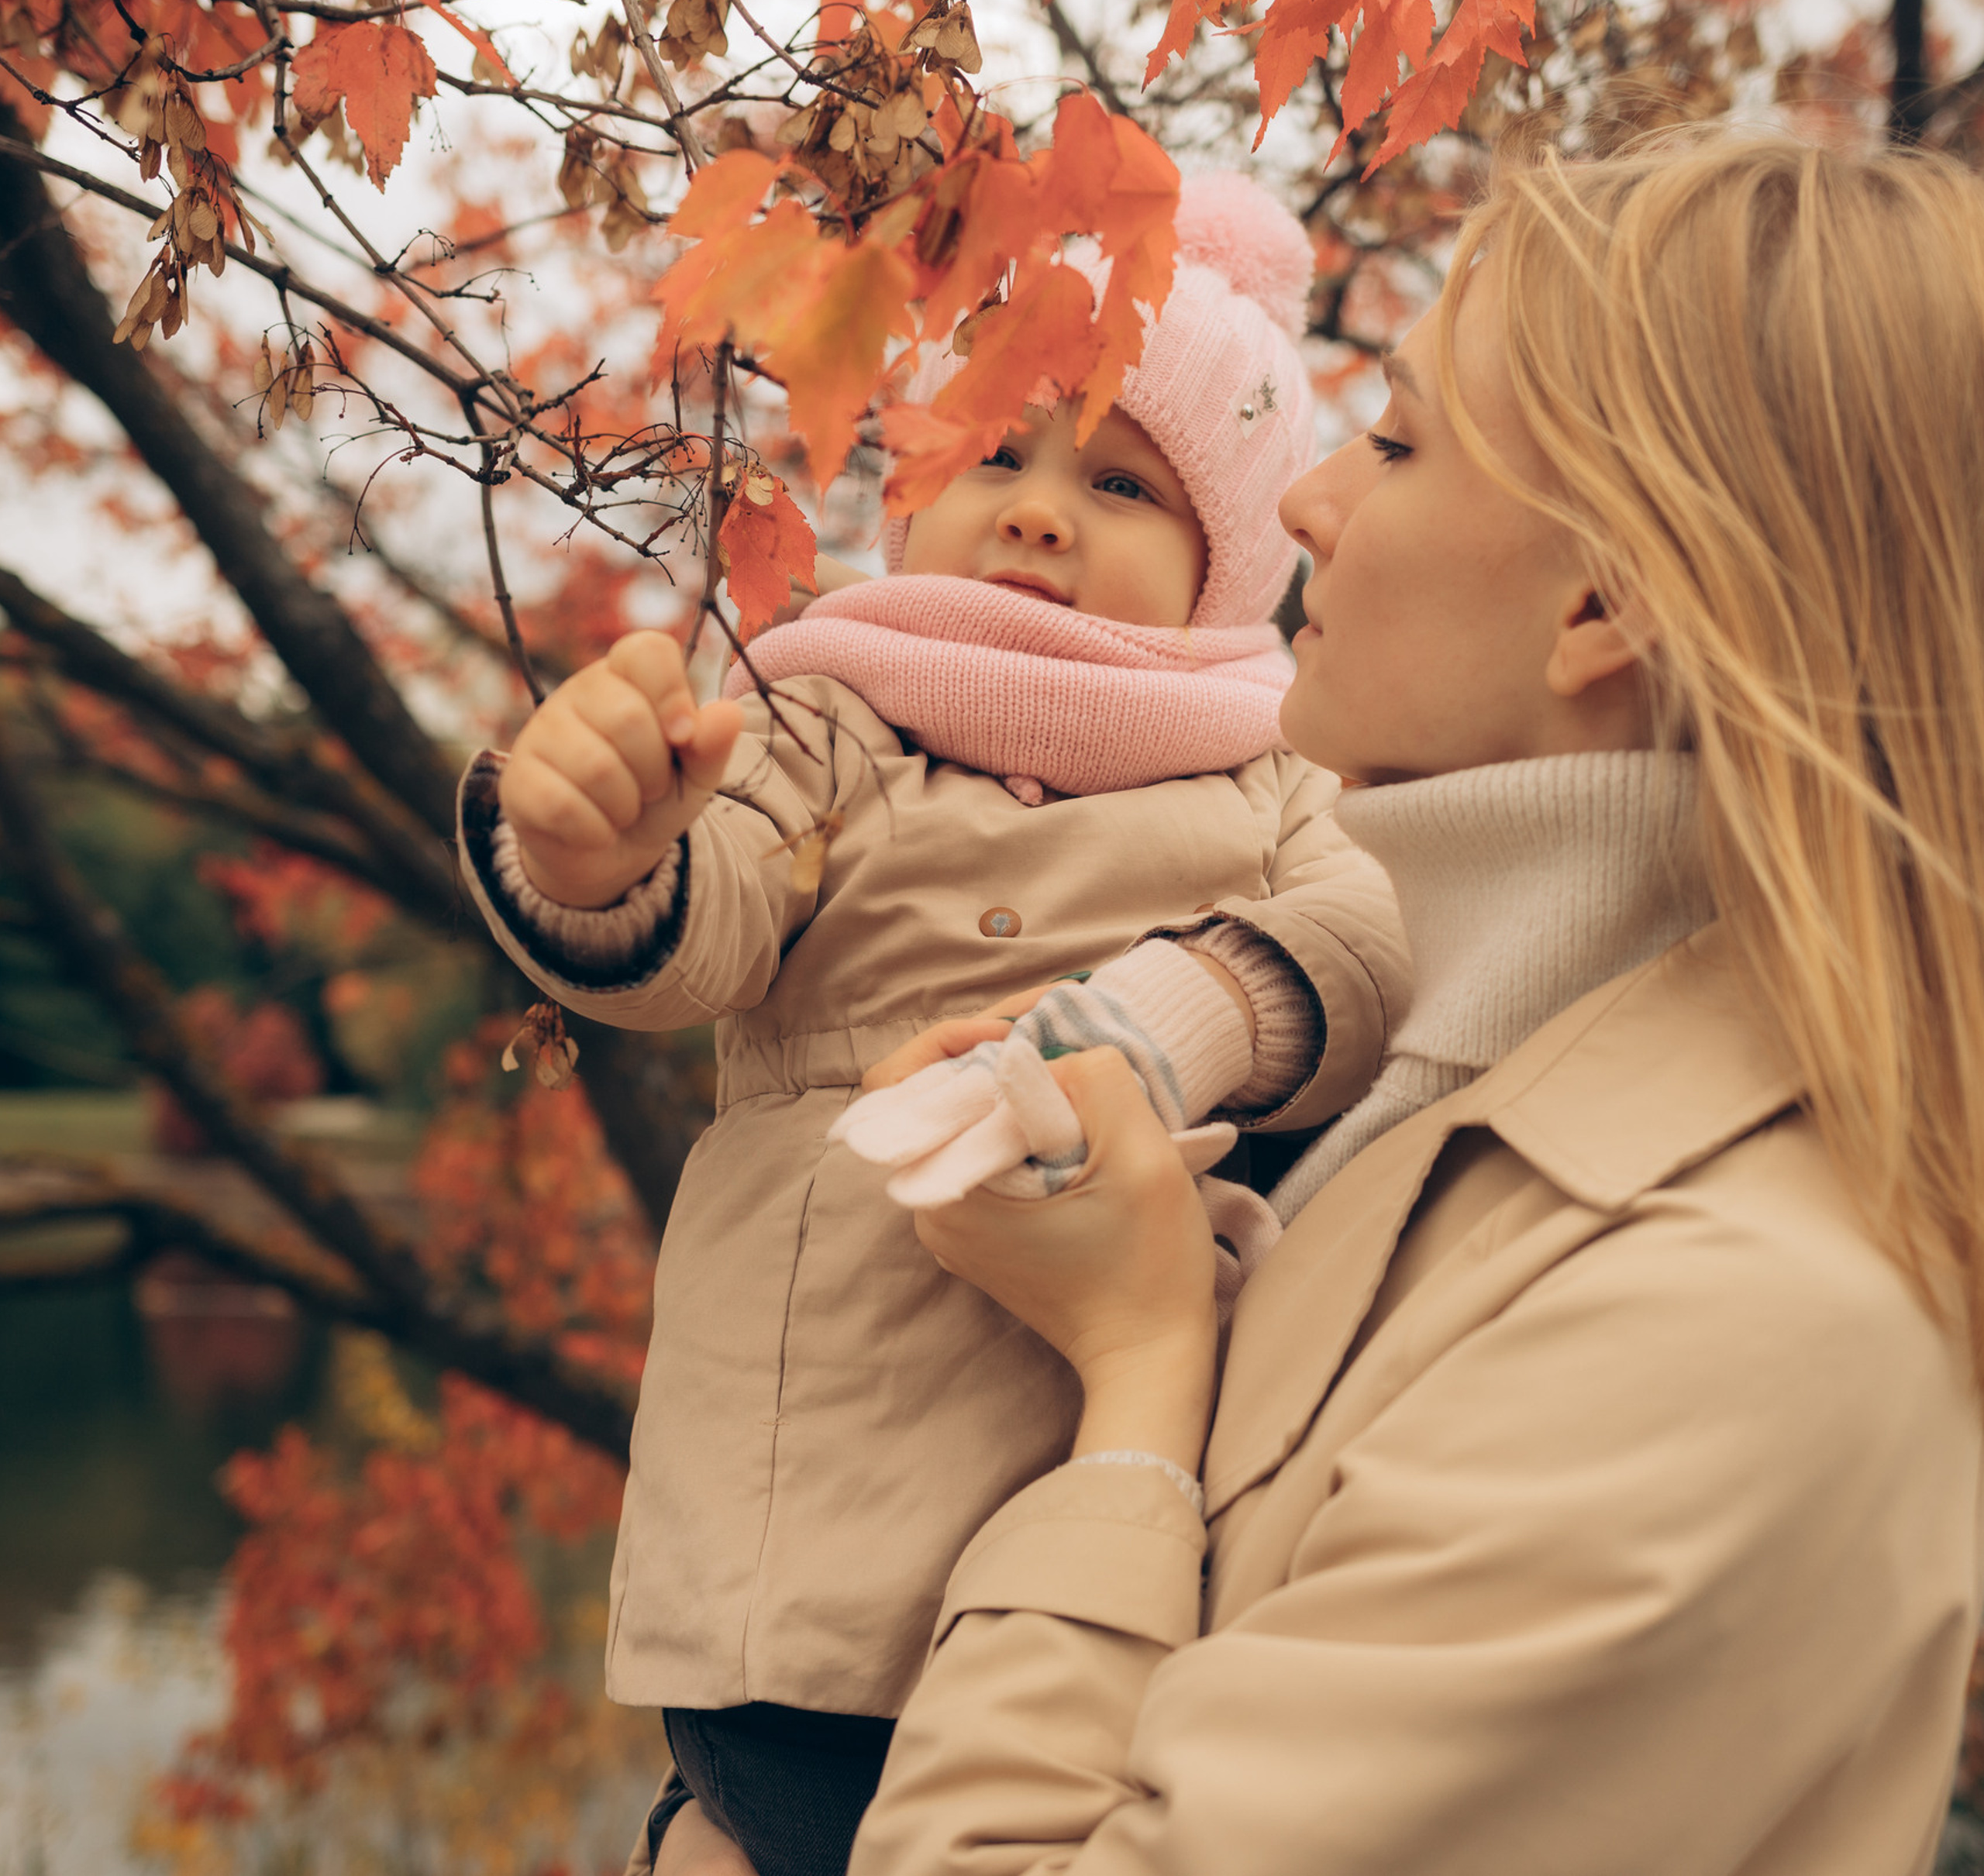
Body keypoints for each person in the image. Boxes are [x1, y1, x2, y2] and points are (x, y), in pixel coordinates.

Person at [800, 130, 1984, 1876]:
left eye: (1401, 441)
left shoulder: (1721, 1327)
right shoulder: (1453, 1120)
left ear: (1606, 601)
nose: (1302, 502)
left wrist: (1135, 1382)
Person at [456, 176, 1410, 1876]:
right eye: (996, 456)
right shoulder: (828, 715)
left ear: (1233, 559)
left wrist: (1178, 1013)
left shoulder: (1267, 767)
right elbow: (710, 920)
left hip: (1105, 1495)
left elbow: (1360, 942)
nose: (1039, 515)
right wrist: (595, 850)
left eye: (1120, 483)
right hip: (796, 1515)